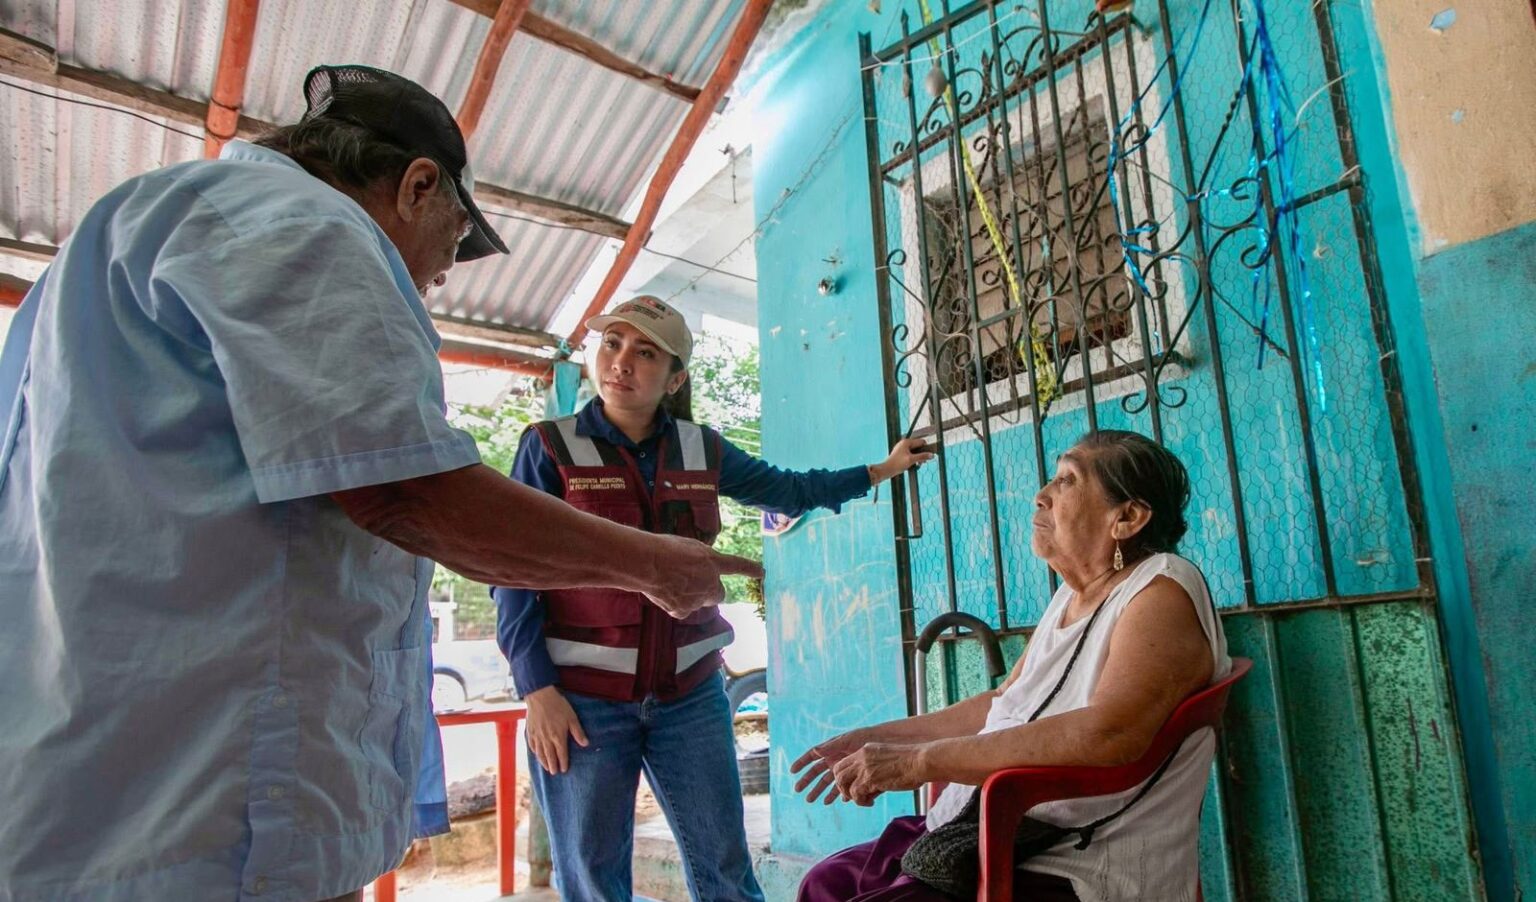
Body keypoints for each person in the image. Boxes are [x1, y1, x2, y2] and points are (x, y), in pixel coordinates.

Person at [0, 67, 758, 902]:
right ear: (418, 185)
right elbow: (410, 495)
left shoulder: (125, 224)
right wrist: (655, 566)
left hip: (100, 784)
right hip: (211, 808)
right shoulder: (311, 228)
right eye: (450, 245)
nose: (439, 278)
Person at [492, 295, 933, 902]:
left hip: (691, 697)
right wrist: (536, 688)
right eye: (612, 344)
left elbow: (788, 488)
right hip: (581, 703)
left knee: (726, 873)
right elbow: (512, 568)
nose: (622, 361)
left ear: (674, 378)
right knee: (593, 881)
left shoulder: (702, 448)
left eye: (645, 352)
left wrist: (880, 471)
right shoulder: (548, 447)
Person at [792, 431, 1230, 902]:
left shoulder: (1160, 589)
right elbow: (1005, 701)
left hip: (1069, 853)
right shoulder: (1072, 594)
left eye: (1067, 480)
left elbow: (1111, 733)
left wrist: (921, 762)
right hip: (981, 829)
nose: (1041, 496)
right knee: (825, 883)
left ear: (1127, 517)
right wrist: (885, 738)